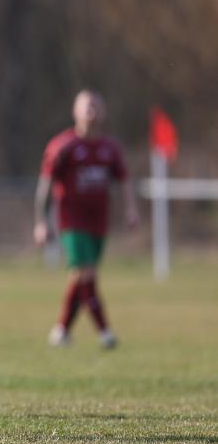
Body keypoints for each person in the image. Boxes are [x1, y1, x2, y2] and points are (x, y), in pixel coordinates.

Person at [34, 89, 138, 349]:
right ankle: (105, 333)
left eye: (95, 106)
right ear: (75, 111)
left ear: (103, 112)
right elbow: (45, 184)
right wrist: (41, 220)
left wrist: (131, 209)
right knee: (85, 273)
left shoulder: (109, 148)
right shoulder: (63, 146)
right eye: (86, 106)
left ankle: (61, 331)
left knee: (81, 278)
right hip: (71, 221)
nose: (91, 111)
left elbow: (124, 179)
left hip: (99, 221)